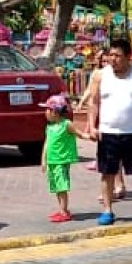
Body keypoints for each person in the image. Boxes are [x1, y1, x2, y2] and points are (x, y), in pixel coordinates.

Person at [87, 38, 132, 227]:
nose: (113, 59)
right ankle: (107, 210)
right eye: (111, 55)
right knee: (107, 173)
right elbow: (93, 102)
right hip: (108, 132)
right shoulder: (100, 76)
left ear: (128, 57)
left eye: (117, 55)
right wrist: (92, 126)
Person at [76, 50, 126, 195]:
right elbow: (91, 93)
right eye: (103, 60)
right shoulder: (98, 74)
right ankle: (113, 187)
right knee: (108, 153)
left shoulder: (121, 75)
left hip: (117, 118)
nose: (106, 62)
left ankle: (117, 186)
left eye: (107, 60)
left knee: (116, 155)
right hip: (102, 116)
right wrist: (82, 103)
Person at [40, 94, 91, 223]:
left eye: (47, 109)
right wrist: (43, 160)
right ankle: (62, 209)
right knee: (56, 187)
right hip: (52, 161)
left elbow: (78, 133)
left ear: (55, 112)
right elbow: (47, 144)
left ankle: (64, 211)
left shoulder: (66, 124)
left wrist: (88, 136)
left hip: (61, 161)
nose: (45, 113)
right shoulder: (50, 127)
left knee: (61, 187)